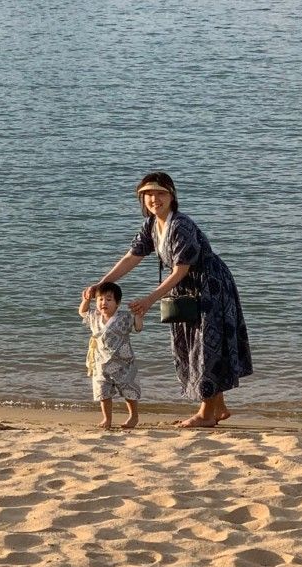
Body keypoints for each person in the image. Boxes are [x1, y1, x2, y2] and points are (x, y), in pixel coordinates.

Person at [84, 172, 252, 428]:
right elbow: (131, 257)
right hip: (188, 290)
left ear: (172, 196)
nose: (154, 199)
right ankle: (218, 407)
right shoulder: (152, 225)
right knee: (195, 347)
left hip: (210, 288)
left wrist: (150, 299)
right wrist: (102, 284)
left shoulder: (181, 225)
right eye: (148, 194)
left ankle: (206, 414)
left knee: (205, 348)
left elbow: (181, 270)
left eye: (160, 193)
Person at [79, 281, 144, 430]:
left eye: (109, 300)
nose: (104, 303)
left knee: (129, 391)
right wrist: (86, 300)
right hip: (101, 363)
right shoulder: (94, 317)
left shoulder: (124, 317)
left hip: (124, 363)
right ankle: (107, 419)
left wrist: (139, 315)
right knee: (103, 392)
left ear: (117, 303)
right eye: (100, 299)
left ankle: (133, 416)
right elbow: (82, 312)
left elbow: (138, 328)